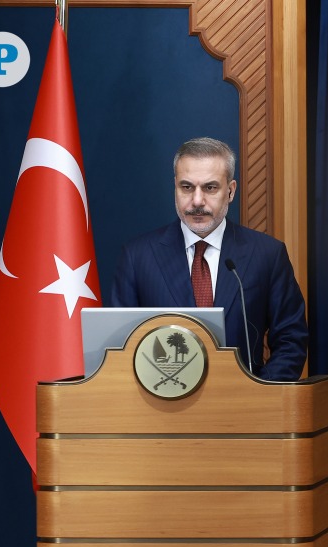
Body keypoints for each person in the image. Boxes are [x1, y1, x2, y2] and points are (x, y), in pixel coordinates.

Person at [109, 137, 308, 381]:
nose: (197, 201)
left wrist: (259, 397)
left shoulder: (267, 254)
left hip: (242, 409)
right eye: (187, 187)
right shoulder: (137, 257)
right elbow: (120, 347)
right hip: (160, 407)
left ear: (231, 191)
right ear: (175, 187)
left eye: (210, 188)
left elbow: (291, 340)